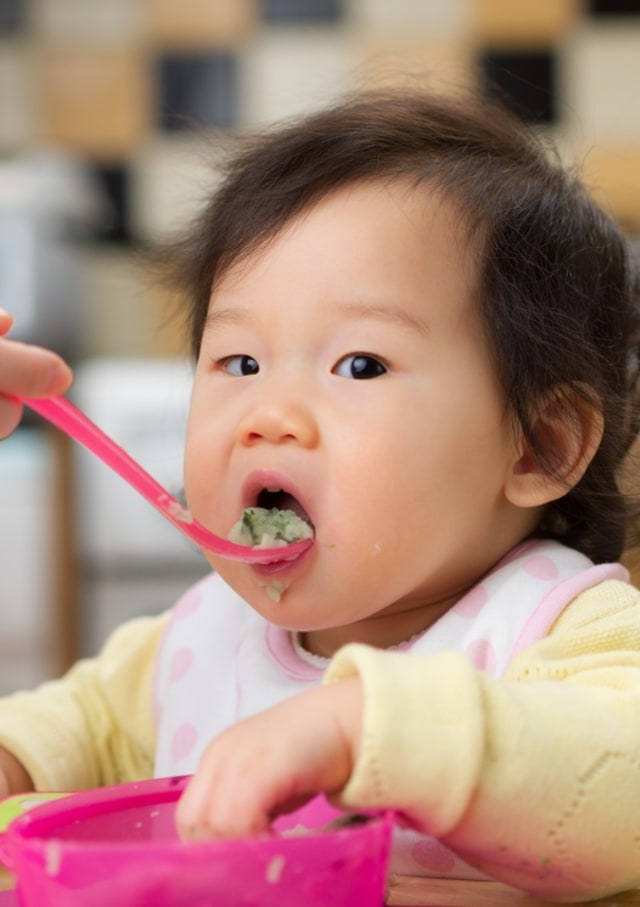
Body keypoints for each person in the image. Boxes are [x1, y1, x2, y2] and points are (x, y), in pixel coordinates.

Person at [1, 88, 640, 901]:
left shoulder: (560, 631)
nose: (269, 416)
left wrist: (369, 730)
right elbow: (56, 737)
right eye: (239, 363)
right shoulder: (191, 645)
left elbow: (622, 779)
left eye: (360, 365)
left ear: (540, 444)